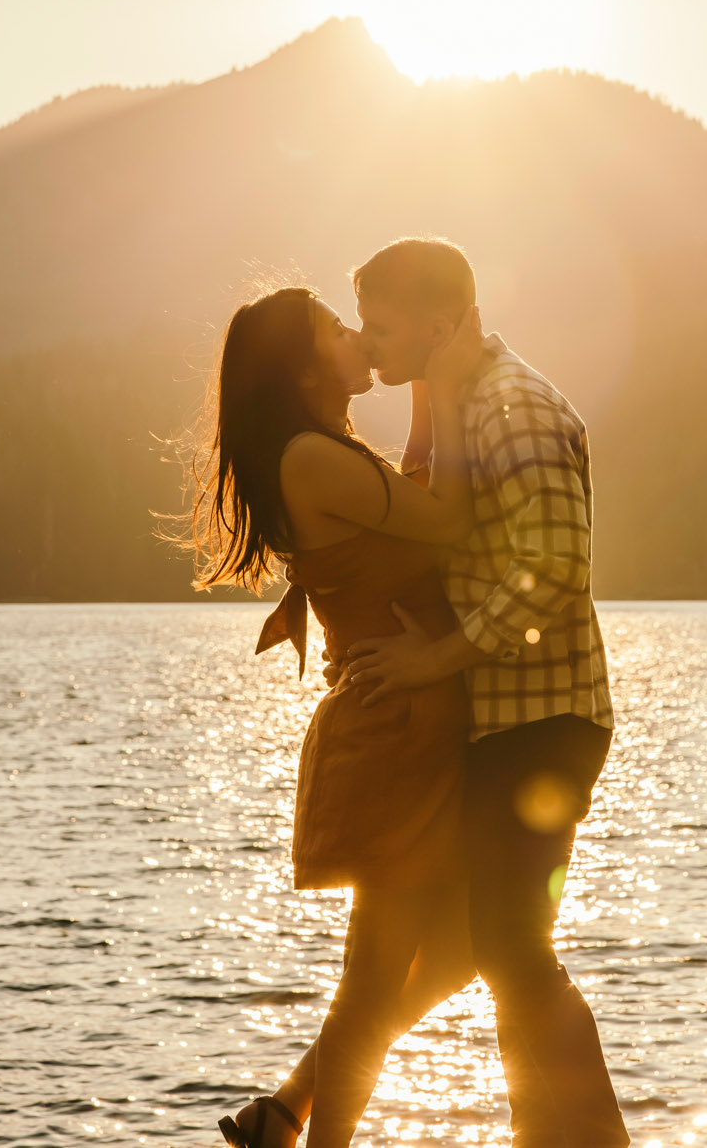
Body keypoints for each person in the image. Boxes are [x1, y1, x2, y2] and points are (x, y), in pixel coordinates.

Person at [340, 238, 628, 1148]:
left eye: (378, 326)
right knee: (504, 949)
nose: (366, 341)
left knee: (513, 949)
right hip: (508, 717)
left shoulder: (515, 407)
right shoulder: (469, 399)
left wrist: (433, 662)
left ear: (436, 323)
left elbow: (554, 572)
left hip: (543, 718)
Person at [188, 283, 489, 1148]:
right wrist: (454, 377)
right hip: (392, 731)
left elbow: (412, 491)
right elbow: (448, 517)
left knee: (473, 942)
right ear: (303, 364)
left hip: (411, 720)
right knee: (375, 983)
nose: (356, 334)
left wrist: (430, 379)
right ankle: (295, 1129)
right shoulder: (309, 458)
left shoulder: (323, 449)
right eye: (334, 327)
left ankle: (282, 1114)